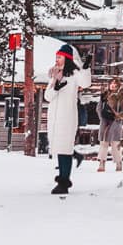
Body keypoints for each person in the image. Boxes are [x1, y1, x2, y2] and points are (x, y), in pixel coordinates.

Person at [45, 43, 91, 195]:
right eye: (56, 57)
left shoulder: (74, 74)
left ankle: (63, 182)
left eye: (60, 57)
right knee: (60, 148)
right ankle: (65, 175)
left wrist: (86, 68)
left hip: (67, 116)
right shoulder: (55, 74)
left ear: (67, 58)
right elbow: (47, 96)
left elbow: (85, 83)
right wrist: (55, 87)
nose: (57, 60)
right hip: (54, 117)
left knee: (65, 148)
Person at [96, 81, 123, 174]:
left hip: (116, 123)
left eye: (115, 85)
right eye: (112, 84)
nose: (113, 86)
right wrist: (102, 118)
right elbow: (99, 108)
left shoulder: (121, 97)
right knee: (103, 143)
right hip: (105, 123)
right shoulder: (104, 96)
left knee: (115, 144)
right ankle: (102, 163)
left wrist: (119, 117)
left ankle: (118, 162)